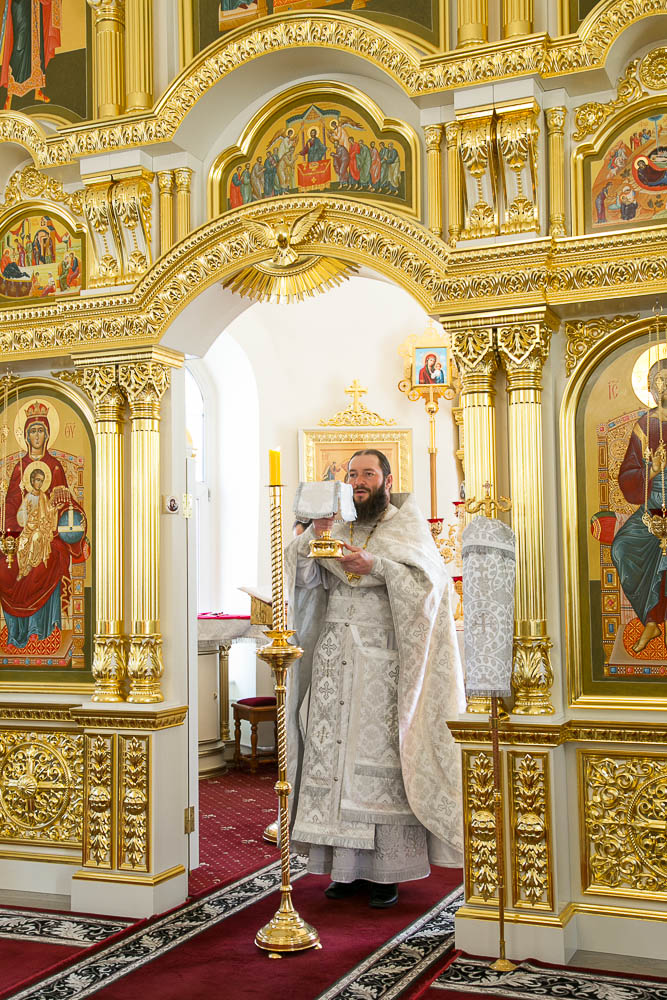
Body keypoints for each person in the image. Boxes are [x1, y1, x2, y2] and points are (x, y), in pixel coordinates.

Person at [285, 450, 464, 908]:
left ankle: (386, 874)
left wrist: (378, 567)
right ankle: (343, 870)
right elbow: (304, 579)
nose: (359, 481)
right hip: (333, 661)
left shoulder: (406, 525)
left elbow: (431, 585)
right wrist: (312, 537)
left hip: (383, 667)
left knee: (379, 764)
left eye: (368, 473)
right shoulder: (335, 525)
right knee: (334, 759)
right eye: (352, 474)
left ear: (387, 479)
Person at [0, 400, 87, 649]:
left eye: (41, 431)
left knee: (44, 564)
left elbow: (67, 506)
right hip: (20, 534)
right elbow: (9, 507)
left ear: (47, 435)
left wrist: (62, 504)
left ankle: (42, 630)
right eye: (33, 431)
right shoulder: (19, 469)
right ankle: (16, 632)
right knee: (5, 567)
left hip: (50, 536)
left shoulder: (55, 467)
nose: (37, 436)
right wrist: (11, 531)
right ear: (26, 436)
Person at [612, 358, 667, 653]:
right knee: (622, 547)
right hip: (653, 503)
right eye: (659, 380)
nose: (665, 385)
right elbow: (628, 476)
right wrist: (652, 471)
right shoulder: (645, 426)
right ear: (651, 388)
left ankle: (656, 621)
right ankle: (651, 621)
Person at [0, 0, 61, 110]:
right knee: (19, 44)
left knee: (37, 43)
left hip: (35, 5)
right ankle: (10, 95)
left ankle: (38, 90)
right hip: (19, 4)